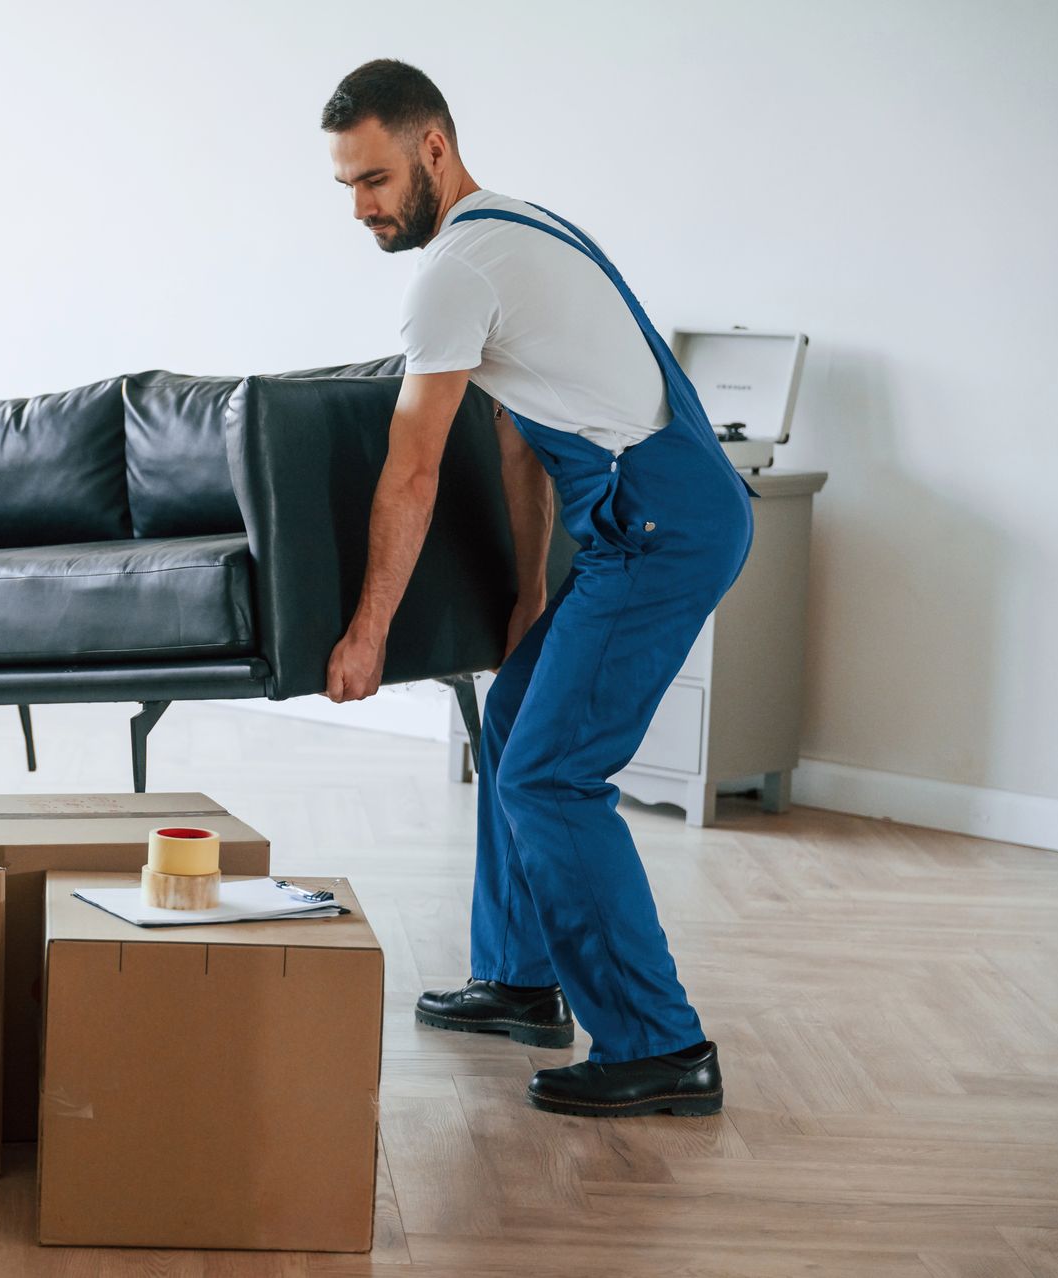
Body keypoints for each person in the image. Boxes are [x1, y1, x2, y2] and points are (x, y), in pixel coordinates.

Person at [320, 60, 754, 1117]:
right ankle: (519, 980)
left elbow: (412, 467)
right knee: (513, 722)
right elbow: (524, 441)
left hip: (662, 522)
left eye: (374, 180)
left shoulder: (456, 273)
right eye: (345, 187)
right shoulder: (517, 229)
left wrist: (367, 633)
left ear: (434, 148)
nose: (362, 208)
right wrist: (526, 598)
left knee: (551, 777)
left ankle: (661, 1044)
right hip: (637, 518)